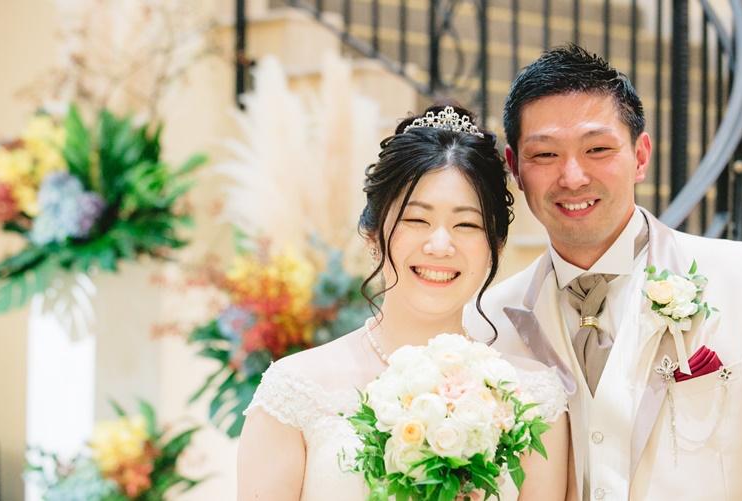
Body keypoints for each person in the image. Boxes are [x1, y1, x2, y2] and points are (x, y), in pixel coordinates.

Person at [465, 43, 742, 500]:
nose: (573, 177)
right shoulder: (488, 322)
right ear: (515, 169)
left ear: (640, 156)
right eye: (545, 155)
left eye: (597, 149)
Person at [237, 104, 570, 501]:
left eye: (466, 224)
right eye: (416, 220)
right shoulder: (295, 391)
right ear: (374, 235)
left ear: (495, 246)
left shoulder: (533, 399)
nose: (440, 245)